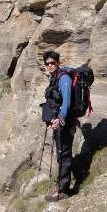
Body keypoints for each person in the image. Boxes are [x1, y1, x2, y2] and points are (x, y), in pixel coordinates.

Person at [42, 50, 76, 202]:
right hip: (57, 123)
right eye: (47, 63)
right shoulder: (54, 78)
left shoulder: (64, 79)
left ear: (58, 63)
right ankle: (60, 185)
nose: (50, 65)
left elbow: (67, 102)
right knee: (61, 154)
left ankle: (63, 190)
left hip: (65, 123)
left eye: (52, 63)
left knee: (64, 155)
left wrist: (59, 119)